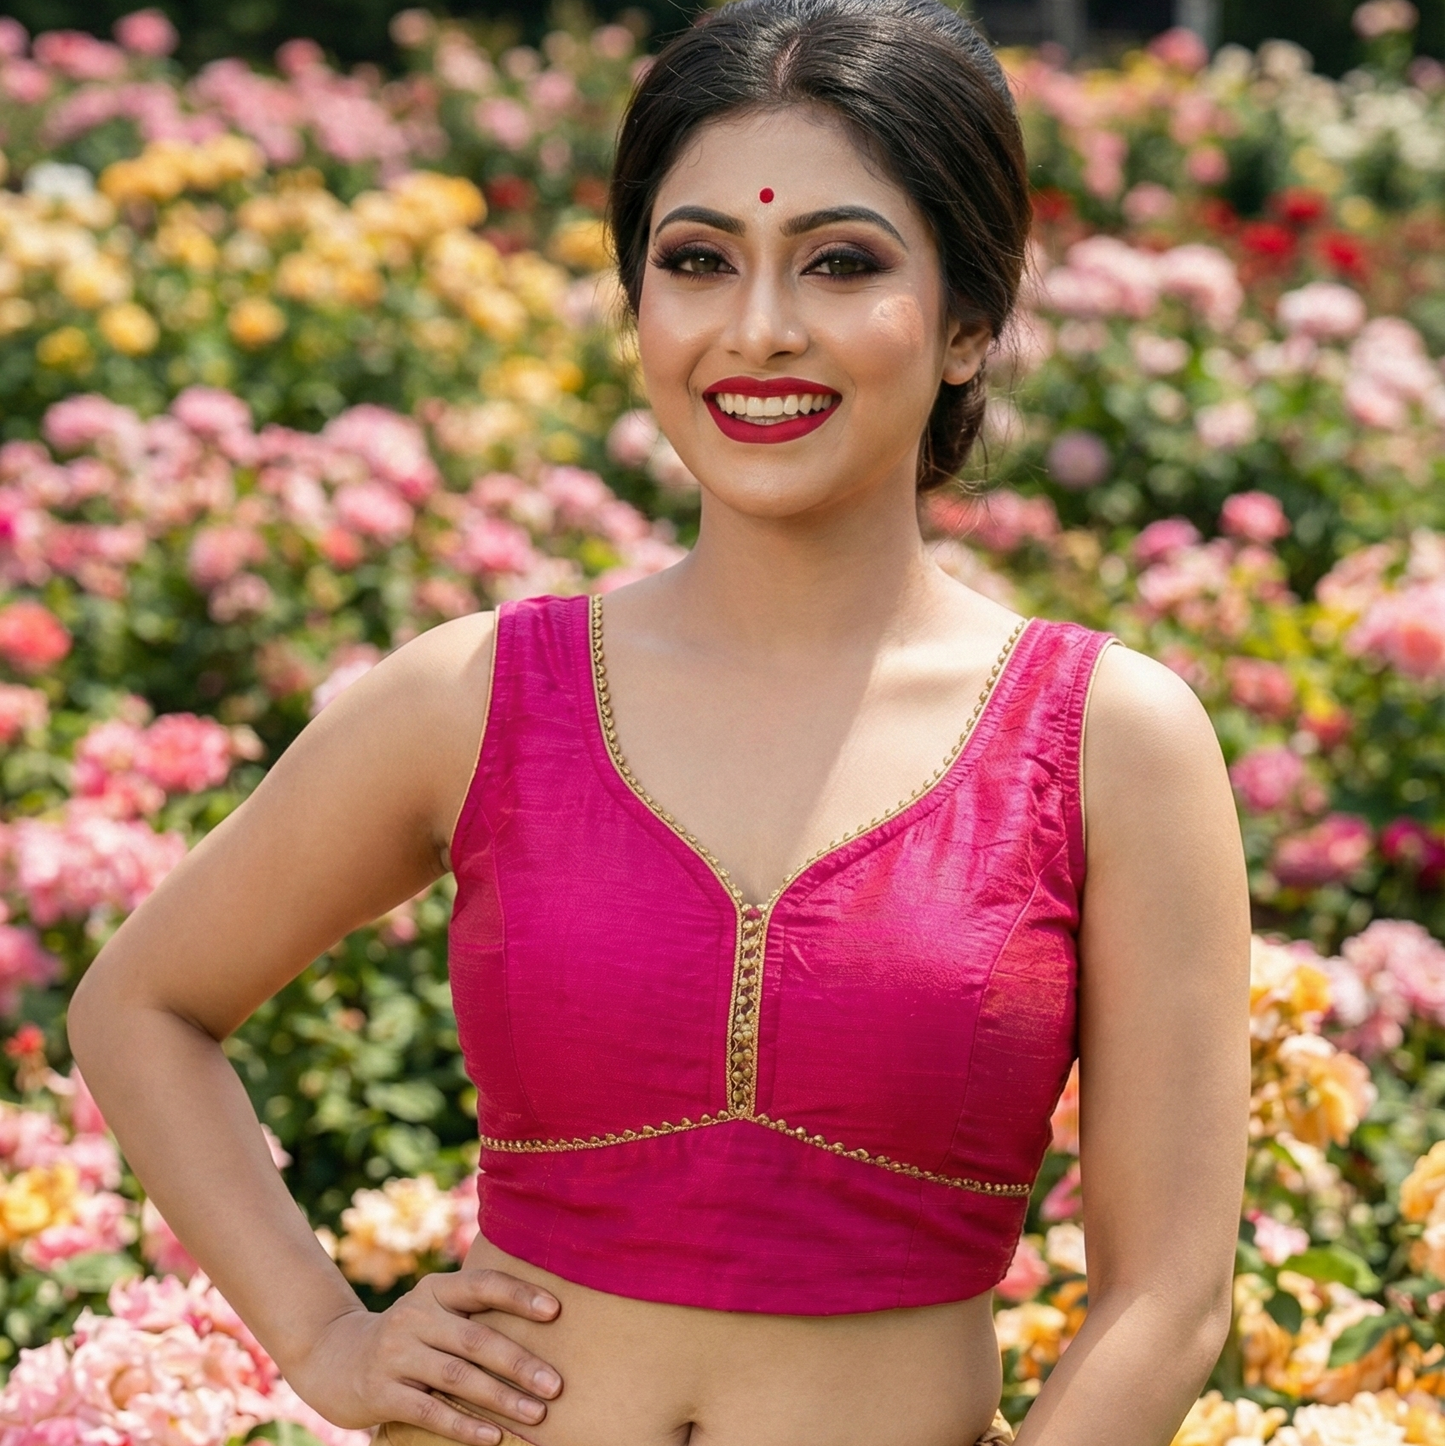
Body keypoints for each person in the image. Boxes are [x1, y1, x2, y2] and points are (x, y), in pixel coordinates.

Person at [68, 2, 1252, 1445]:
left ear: (965, 324)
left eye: (839, 262)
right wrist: (327, 1333)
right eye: (697, 261)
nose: (758, 327)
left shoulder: (1106, 741)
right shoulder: (480, 697)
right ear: (637, 306)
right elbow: (141, 1004)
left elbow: (1171, 1290)